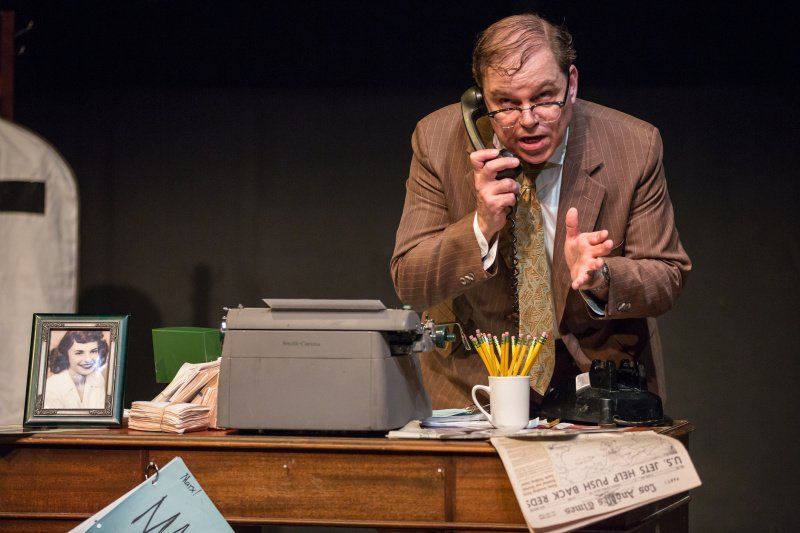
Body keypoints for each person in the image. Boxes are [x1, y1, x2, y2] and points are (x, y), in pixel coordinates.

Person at [391, 13, 691, 409]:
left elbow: (667, 274)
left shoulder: (634, 145)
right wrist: (480, 226)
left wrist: (602, 277)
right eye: (506, 104)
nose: (529, 120)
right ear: (480, 99)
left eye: (545, 97)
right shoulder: (436, 140)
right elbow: (409, 281)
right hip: (472, 382)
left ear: (572, 84)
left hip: (601, 381)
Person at [44, 330, 108, 409]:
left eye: (93, 351)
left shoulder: (97, 379)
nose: (88, 360)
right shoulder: (52, 386)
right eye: (79, 353)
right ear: (66, 354)